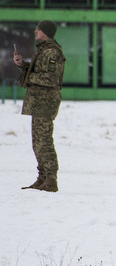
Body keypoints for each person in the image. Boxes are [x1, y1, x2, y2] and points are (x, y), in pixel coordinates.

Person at [13, 20, 66, 192]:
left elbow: (50, 79)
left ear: (47, 32)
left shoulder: (51, 52)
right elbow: (39, 72)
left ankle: (51, 179)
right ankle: (42, 177)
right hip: (39, 103)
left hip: (45, 103)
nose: (36, 31)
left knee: (44, 142)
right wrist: (23, 66)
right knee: (37, 142)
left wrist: (29, 77)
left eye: (39, 29)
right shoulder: (44, 51)